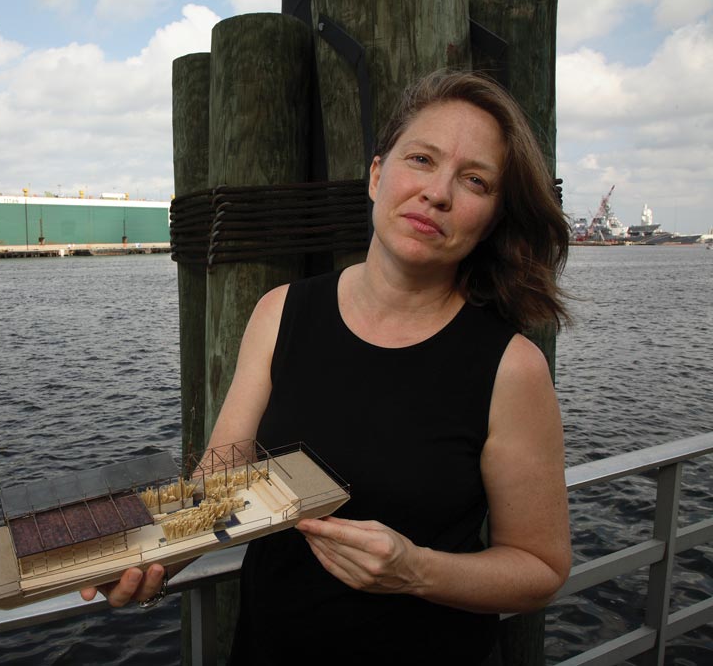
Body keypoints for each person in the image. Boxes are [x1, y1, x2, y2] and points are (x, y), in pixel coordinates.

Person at [82, 70, 572, 664]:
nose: (438, 192)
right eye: (421, 159)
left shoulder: (510, 367)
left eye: (475, 180)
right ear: (376, 175)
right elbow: (217, 492)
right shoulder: (280, 313)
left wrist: (417, 570)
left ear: (491, 217)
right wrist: (141, 559)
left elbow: (541, 568)